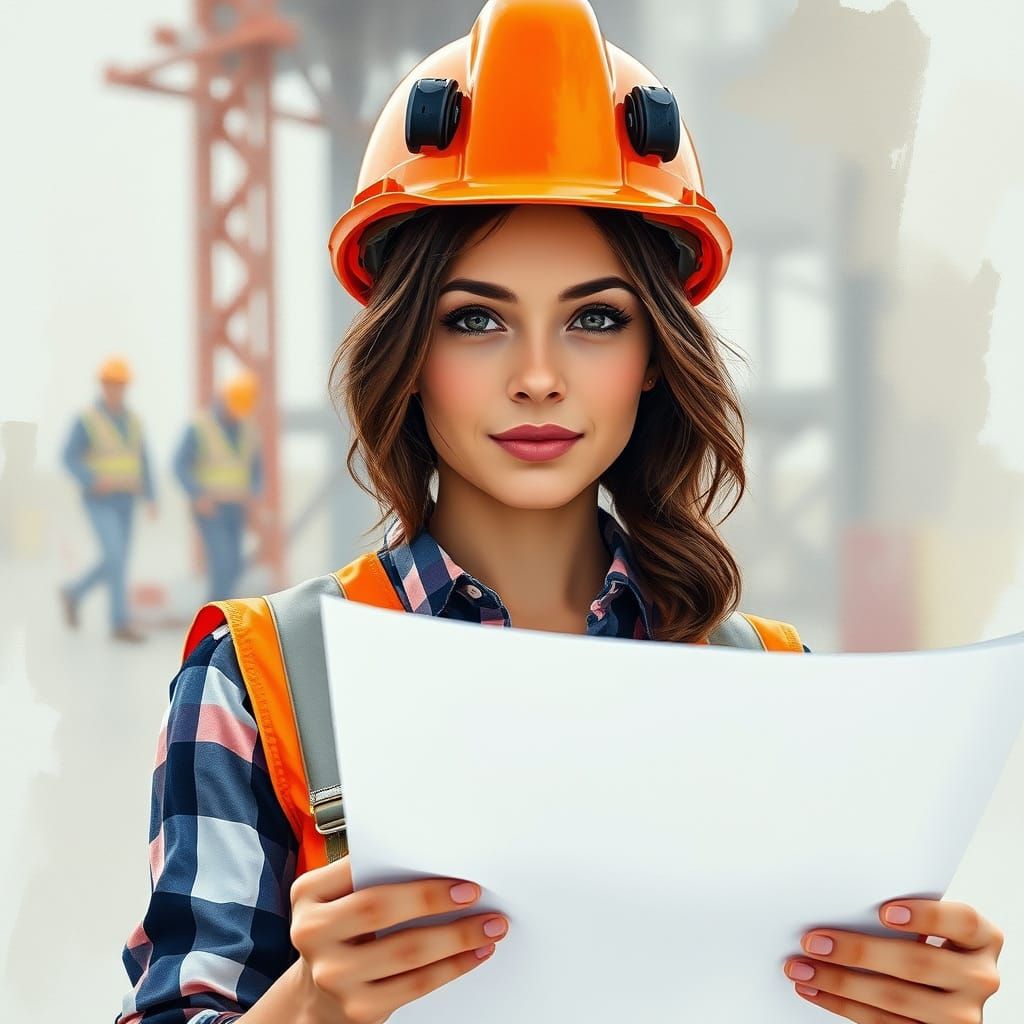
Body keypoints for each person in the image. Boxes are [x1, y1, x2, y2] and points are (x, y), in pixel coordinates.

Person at [114, 2, 1004, 1022]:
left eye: (594, 318)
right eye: (476, 319)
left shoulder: (772, 684)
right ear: (407, 359)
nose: (538, 378)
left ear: (653, 360)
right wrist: (308, 1003)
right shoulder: (258, 677)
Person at [60, 356, 157, 643]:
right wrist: (92, 479)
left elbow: (143, 459)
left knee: (118, 561)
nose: (117, 390)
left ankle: (75, 593)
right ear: (103, 386)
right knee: (115, 557)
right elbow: (68, 457)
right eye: (112, 384)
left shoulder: (134, 421)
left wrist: (151, 496)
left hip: (127, 499)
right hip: (100, 500)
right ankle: (118, 623)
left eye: (121, 385)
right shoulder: (88, 420)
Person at [173, 369, 264, 601]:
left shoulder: (248, 429)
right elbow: (179, 464)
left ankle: (218, 609)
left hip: (236, 508)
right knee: (221, 560)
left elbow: (256, 470)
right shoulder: (200, 427)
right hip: (210, 508)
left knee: (234, 564)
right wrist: (197, 494)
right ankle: (217, 614)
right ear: (223, 400)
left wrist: (254, 497)